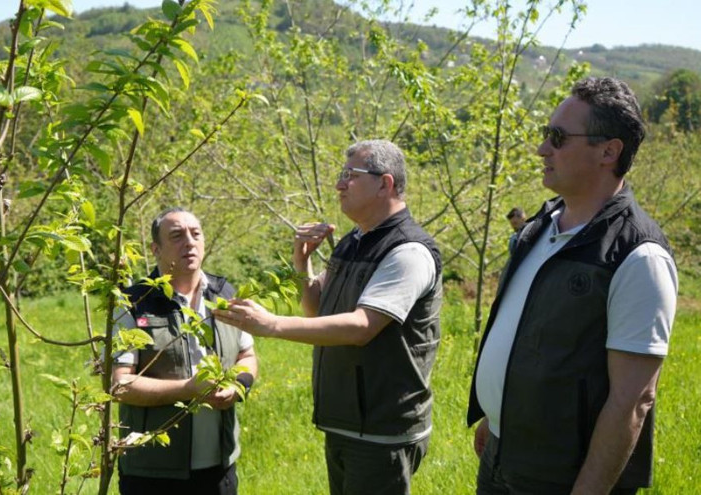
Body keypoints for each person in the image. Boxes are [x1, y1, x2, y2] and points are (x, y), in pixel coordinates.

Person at [467, 77, 678, 494]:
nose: (542, 149)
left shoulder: (639, 256)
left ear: (608, 151)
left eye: (558, 137)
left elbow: (632, 401)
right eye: (546, 135)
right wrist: (497, 418)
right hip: (502, 455)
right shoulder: (541, 226)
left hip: (561, 477)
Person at [214, 139, 443, 495]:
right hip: (345, 422)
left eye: (350, 175)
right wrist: (302, 261)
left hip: (381, 430)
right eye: (341, 174)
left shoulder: (408, 251)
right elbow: (318, 309)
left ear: (385, 183)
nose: (339, 184)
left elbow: (362, 327)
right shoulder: (354, 240)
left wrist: (272, 324)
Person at [112, 207, 257, 495]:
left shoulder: (225, 294)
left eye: (195, 234)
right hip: (152, 470)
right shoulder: (133, 302)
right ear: (156, 249)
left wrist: (238, 386)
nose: (189, 242)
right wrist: (189, 389)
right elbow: (120, 385)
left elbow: (247, 356)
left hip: (220, 466)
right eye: (176, 236)